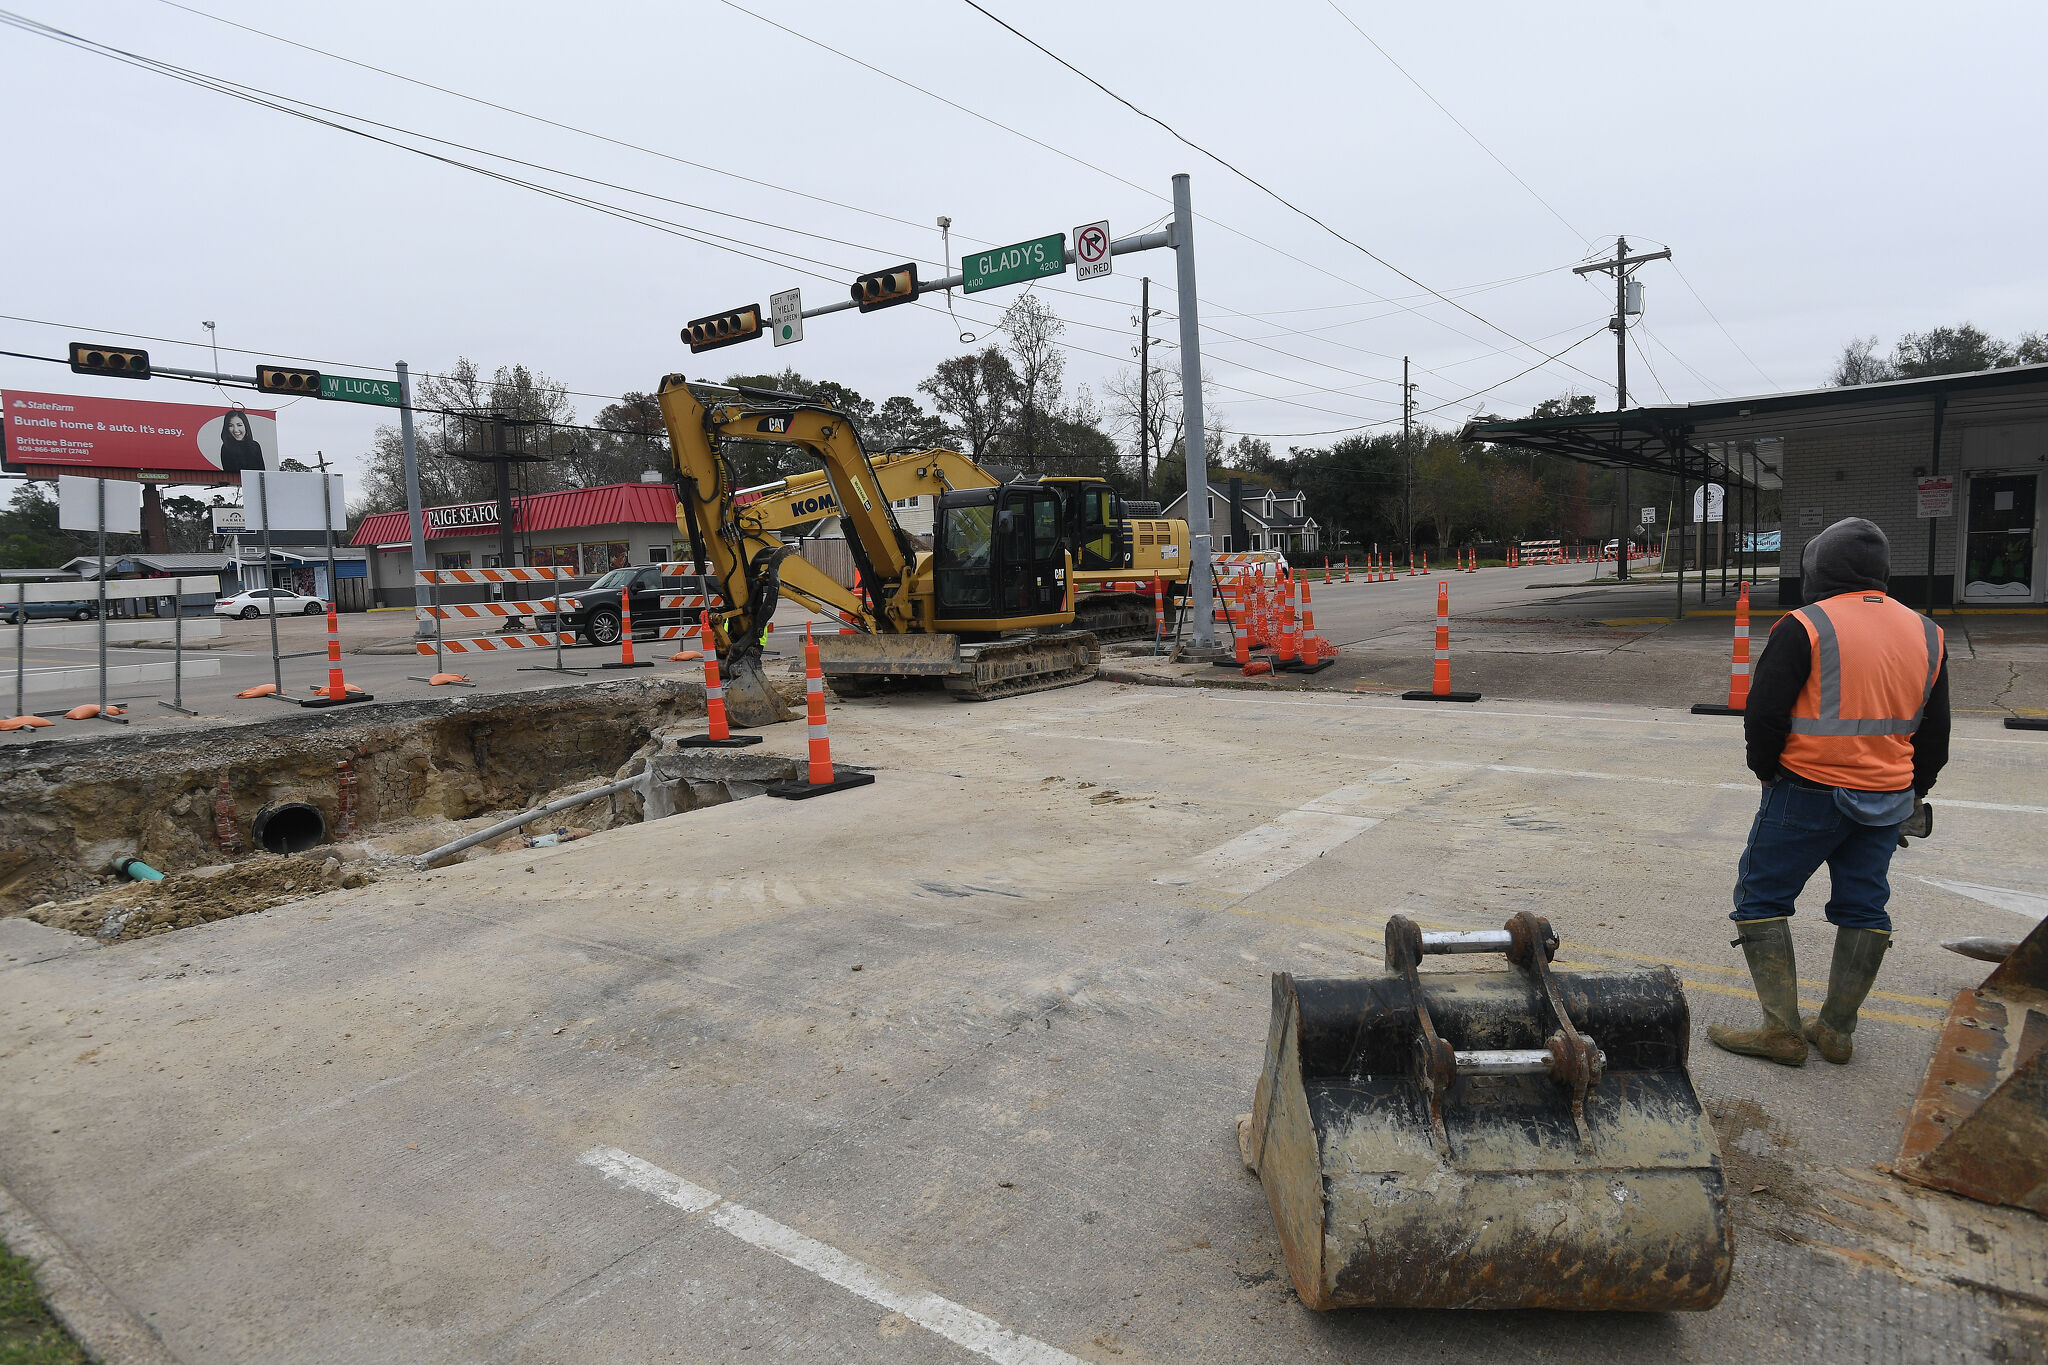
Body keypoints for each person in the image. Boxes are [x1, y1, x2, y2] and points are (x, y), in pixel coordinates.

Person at [1710, 517, 1949, 1067]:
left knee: (1761, 898)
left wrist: (1766, 772)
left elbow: (1765, 712)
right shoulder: (1927, 632)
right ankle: (1837, 1029)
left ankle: (1782, 1031)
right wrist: (1915, 790)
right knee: (1865, 906)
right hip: (1887, 797)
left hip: (1807, 789)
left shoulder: (1805, 625)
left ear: (1819, 567)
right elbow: (1935, 732)